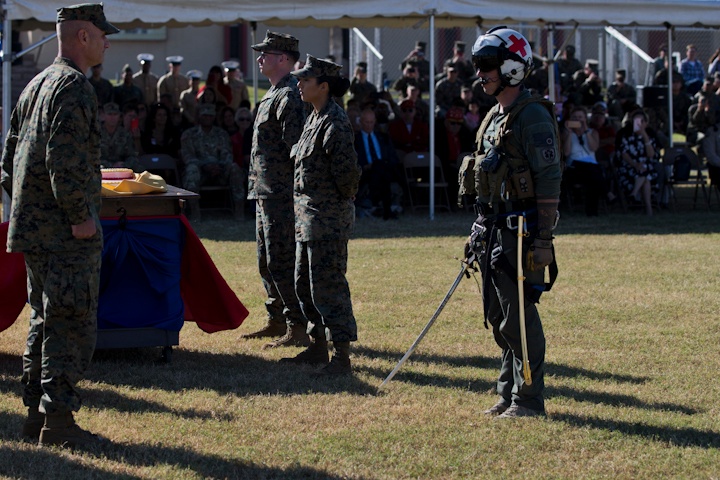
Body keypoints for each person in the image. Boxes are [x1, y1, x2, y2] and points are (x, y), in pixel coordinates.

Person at [0, 3, 118, 447]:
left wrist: (27, 208)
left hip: (35, 228)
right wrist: (80, 217)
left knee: (43, 320)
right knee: (69, 322)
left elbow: (9, 158)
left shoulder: (37, 84)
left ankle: (35, 415)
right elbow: (63, 162)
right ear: (82, 36)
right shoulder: (73, 87)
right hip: (66, 233)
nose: (107, 41)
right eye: (102, 34)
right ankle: (60, 423)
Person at [465, 26, 561, 418]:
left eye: (487, 65)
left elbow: (550, 178)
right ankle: (507, 391)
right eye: (478, 66)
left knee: (518, 314)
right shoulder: (493, 116)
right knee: (498, 314)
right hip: (493, 227)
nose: (480, 74)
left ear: (513, 68)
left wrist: (543, 238)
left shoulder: (533, 115)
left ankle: (529, 398)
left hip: (521, 230)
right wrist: (478, 227)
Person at [280, 55, 361, 375]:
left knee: (328, 287)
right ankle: (317, 347)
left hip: (326, 220)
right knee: (304, 285)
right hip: (307, 217)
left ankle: (341, 355)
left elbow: (347, 176)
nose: (298, 84)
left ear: (323, 86)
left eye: (305, 80)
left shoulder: (335, 122)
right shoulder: (314, 116)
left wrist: (334, 205)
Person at [241, 31, 309, 348]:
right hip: (265, 191)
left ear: (283, 58)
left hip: (282, 195)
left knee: (282, 260)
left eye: (265, 54)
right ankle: (277, 318)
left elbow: (297, 149)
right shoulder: (274, 92)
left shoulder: (290, 95)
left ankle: (297, 326)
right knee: (266, 261)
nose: (259, 59)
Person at [180, 103, 245, 220]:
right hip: (200, 171)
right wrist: (205, 166)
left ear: (214, 117)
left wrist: (219, 166)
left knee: (234, 168)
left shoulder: (221, 134)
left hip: (219, 171)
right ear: (199, 116)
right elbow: (188, 156)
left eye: (210, 116)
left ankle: (239, 211)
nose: (207, 118)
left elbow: (227, 154)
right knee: (191, 170)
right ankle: (194, 212)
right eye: (205, 116)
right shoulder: (189, 134)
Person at [560, 106, 607, 216]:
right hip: (575, 167)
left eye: (580, 117)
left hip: (591, 167)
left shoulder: (592, 132)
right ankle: (607, 193)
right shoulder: (567, 134)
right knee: (595, 173)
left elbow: (593, 148)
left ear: (585, 118)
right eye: (575, 117)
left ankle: (592, 210)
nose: (578, 120)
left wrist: (586, 132)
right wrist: (569, 133)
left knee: (593, 176)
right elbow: (566, 153)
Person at [355, 108, 400, 220]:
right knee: (378, 168)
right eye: (366, 122)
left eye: (371, 122)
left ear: (375, 121)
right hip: (364, 171)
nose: (369, 125)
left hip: (384, 170)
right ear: (360, 122)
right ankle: (386, 209)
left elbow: (393, 158)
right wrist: (365, 166)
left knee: (380, 166)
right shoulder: (355, 139)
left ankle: (372, 199)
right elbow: (353, 160)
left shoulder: (383, 137)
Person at [615, 109, 660, 216]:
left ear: (646, 123)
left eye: (642, 121)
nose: (639, 123)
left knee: (645, 171)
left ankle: (634, 193)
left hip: (646, 168)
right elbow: (623, 153)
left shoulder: (650, 135)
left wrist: (644, 136)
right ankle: (648, 209)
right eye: (636, 120)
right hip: (629, 168)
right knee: (645, 174)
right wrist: (635, 164)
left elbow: (651, 155)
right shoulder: (625, 134)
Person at [100, 102, 140, 171]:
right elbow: (91, 156)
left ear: (119, 116)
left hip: (122, 168)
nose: (112, 118)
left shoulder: (125, 134)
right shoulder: (96, 133)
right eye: (109, 114)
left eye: (115, 114)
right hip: (102, 168)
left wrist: (124, 165)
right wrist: (111, 166)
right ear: (103, 116)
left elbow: (132, 155)